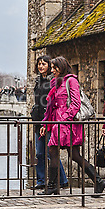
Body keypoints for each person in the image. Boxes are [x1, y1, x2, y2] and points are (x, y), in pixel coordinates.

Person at [40, 56, 105, 195]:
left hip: (68, 123)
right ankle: (98, 180)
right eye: (51, 68)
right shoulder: (56, 83)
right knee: (74, 155)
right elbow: (51, 106)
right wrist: (46, 123)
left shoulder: (71, 81)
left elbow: (76, 103)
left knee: (54, 150)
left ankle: (53, 186)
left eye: (54, 67)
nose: (52, 70)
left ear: (61, 67)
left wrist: (64, 119)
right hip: (60, 122)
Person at [31, 56, 68, 190]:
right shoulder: (37, 81)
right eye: (39, 64)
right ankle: (41, 181)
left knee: (51, 152)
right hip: (38, 120)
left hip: (49, 120)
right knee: (39, 153)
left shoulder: (53, 81)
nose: (41, 66)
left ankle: (62, 180)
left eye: (44, 64)